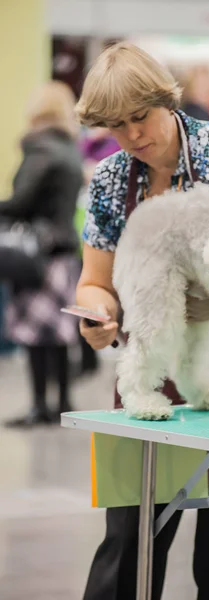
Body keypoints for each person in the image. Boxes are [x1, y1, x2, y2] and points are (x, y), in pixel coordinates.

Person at [75, 41, 209, 600]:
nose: (132, 136)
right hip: (147, 373)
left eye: (139, 118)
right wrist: (99, 311)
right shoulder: (111, 182)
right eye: (116, 127)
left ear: (164, 99)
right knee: (128, 548)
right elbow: (95, 278)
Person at [0, 81, 83, 426]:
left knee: (35, 334)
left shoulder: (40, 149)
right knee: (61, 332)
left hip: (37, 252)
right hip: (64, 251)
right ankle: (62, 402)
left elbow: (21, 202)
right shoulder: (69, 148)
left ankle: (38, 406)